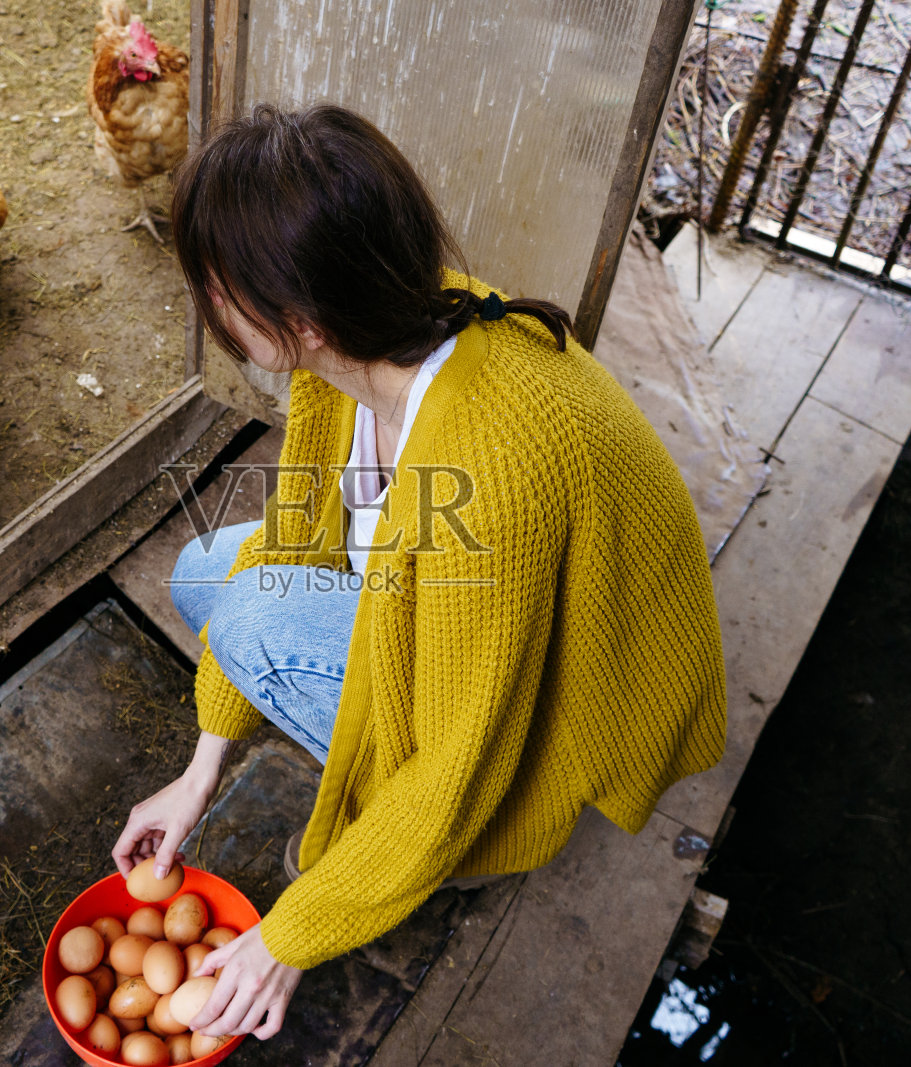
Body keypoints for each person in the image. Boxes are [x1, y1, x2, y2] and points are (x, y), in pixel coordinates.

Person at [111, 103, 726, 1042]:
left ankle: (471, 856)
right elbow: (292, 542)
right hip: (459, 614)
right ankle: (370, 787)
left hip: (559, 702)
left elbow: (460, 760)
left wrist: (295, 930)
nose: (210, 304)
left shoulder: (490, 471)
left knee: (250, 622)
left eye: (215, 288)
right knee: (210, 575)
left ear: (298, 319)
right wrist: (199, 776)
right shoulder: (359, 336)